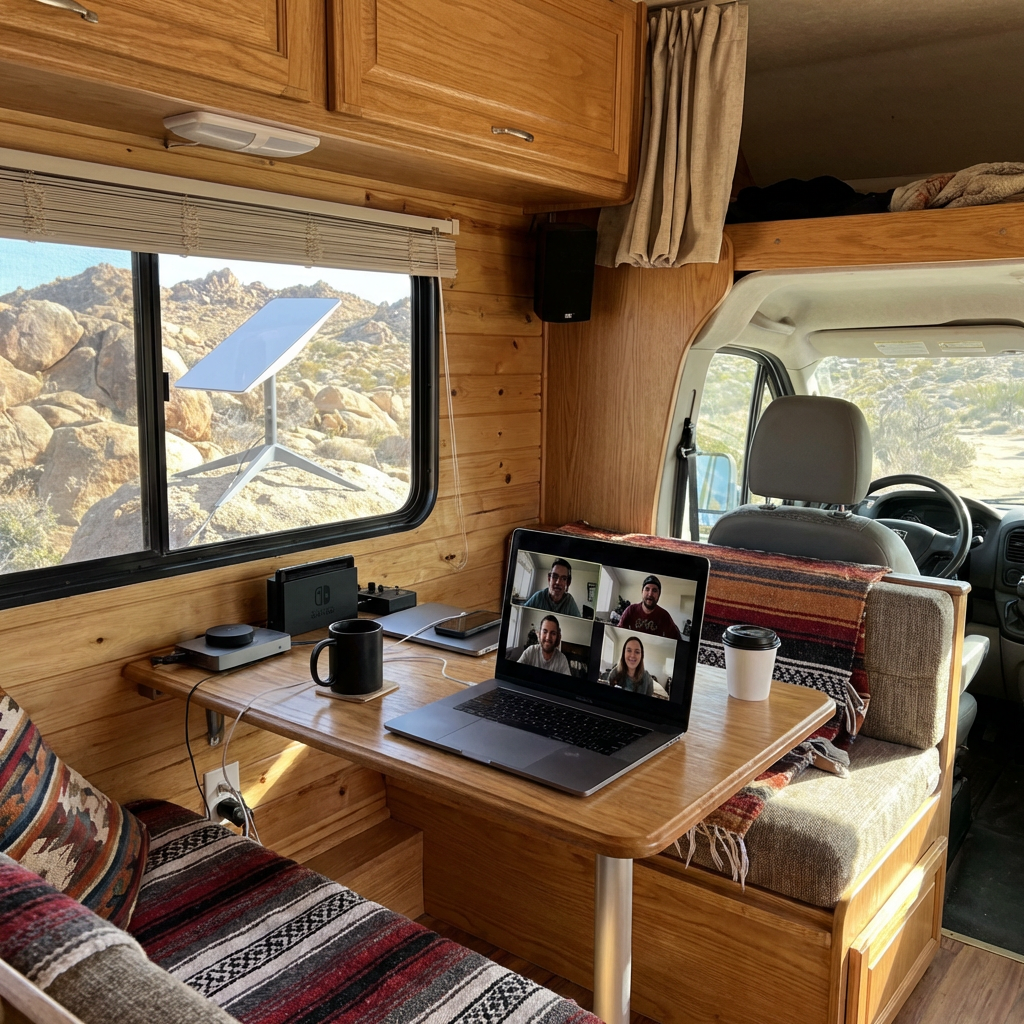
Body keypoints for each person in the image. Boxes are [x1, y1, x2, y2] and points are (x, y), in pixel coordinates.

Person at [616, 575, 682, 640]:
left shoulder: (665, 616)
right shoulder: (630, 610)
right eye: (647, 589)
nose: (650, 594)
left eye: (655, 590)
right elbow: (618, 632)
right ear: (642, 592)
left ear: (659, 595)